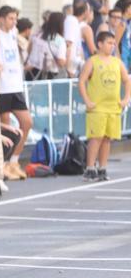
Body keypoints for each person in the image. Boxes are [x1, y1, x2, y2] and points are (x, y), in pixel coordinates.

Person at [79, 32, 131, 182]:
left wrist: (126, 98)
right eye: (109, 43)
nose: (112, 46)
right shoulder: (92, 61)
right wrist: (87, 101)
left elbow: (127, 80)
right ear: (100, 44)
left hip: (113, 107)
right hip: (97, 107)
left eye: (114, 43)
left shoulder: (117, 62)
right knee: (96, 138)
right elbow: (82, 81)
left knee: (107, 139)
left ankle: (102, 168)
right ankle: (90, 168)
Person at [0, 6, 31, 180]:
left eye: (15, 18)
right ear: (1, 18)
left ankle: (14, 160)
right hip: (2, 86)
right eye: (10, 18)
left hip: (15, 85)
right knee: (5, 125)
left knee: (26, 122)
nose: (14, 22)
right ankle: (2, 163)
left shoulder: (13, 33)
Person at [26, 12, 67, 81]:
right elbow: (61, 63)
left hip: (32, 73)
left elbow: (29, 50)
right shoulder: (60, 40)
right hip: (49, 76)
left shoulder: (37, 35)